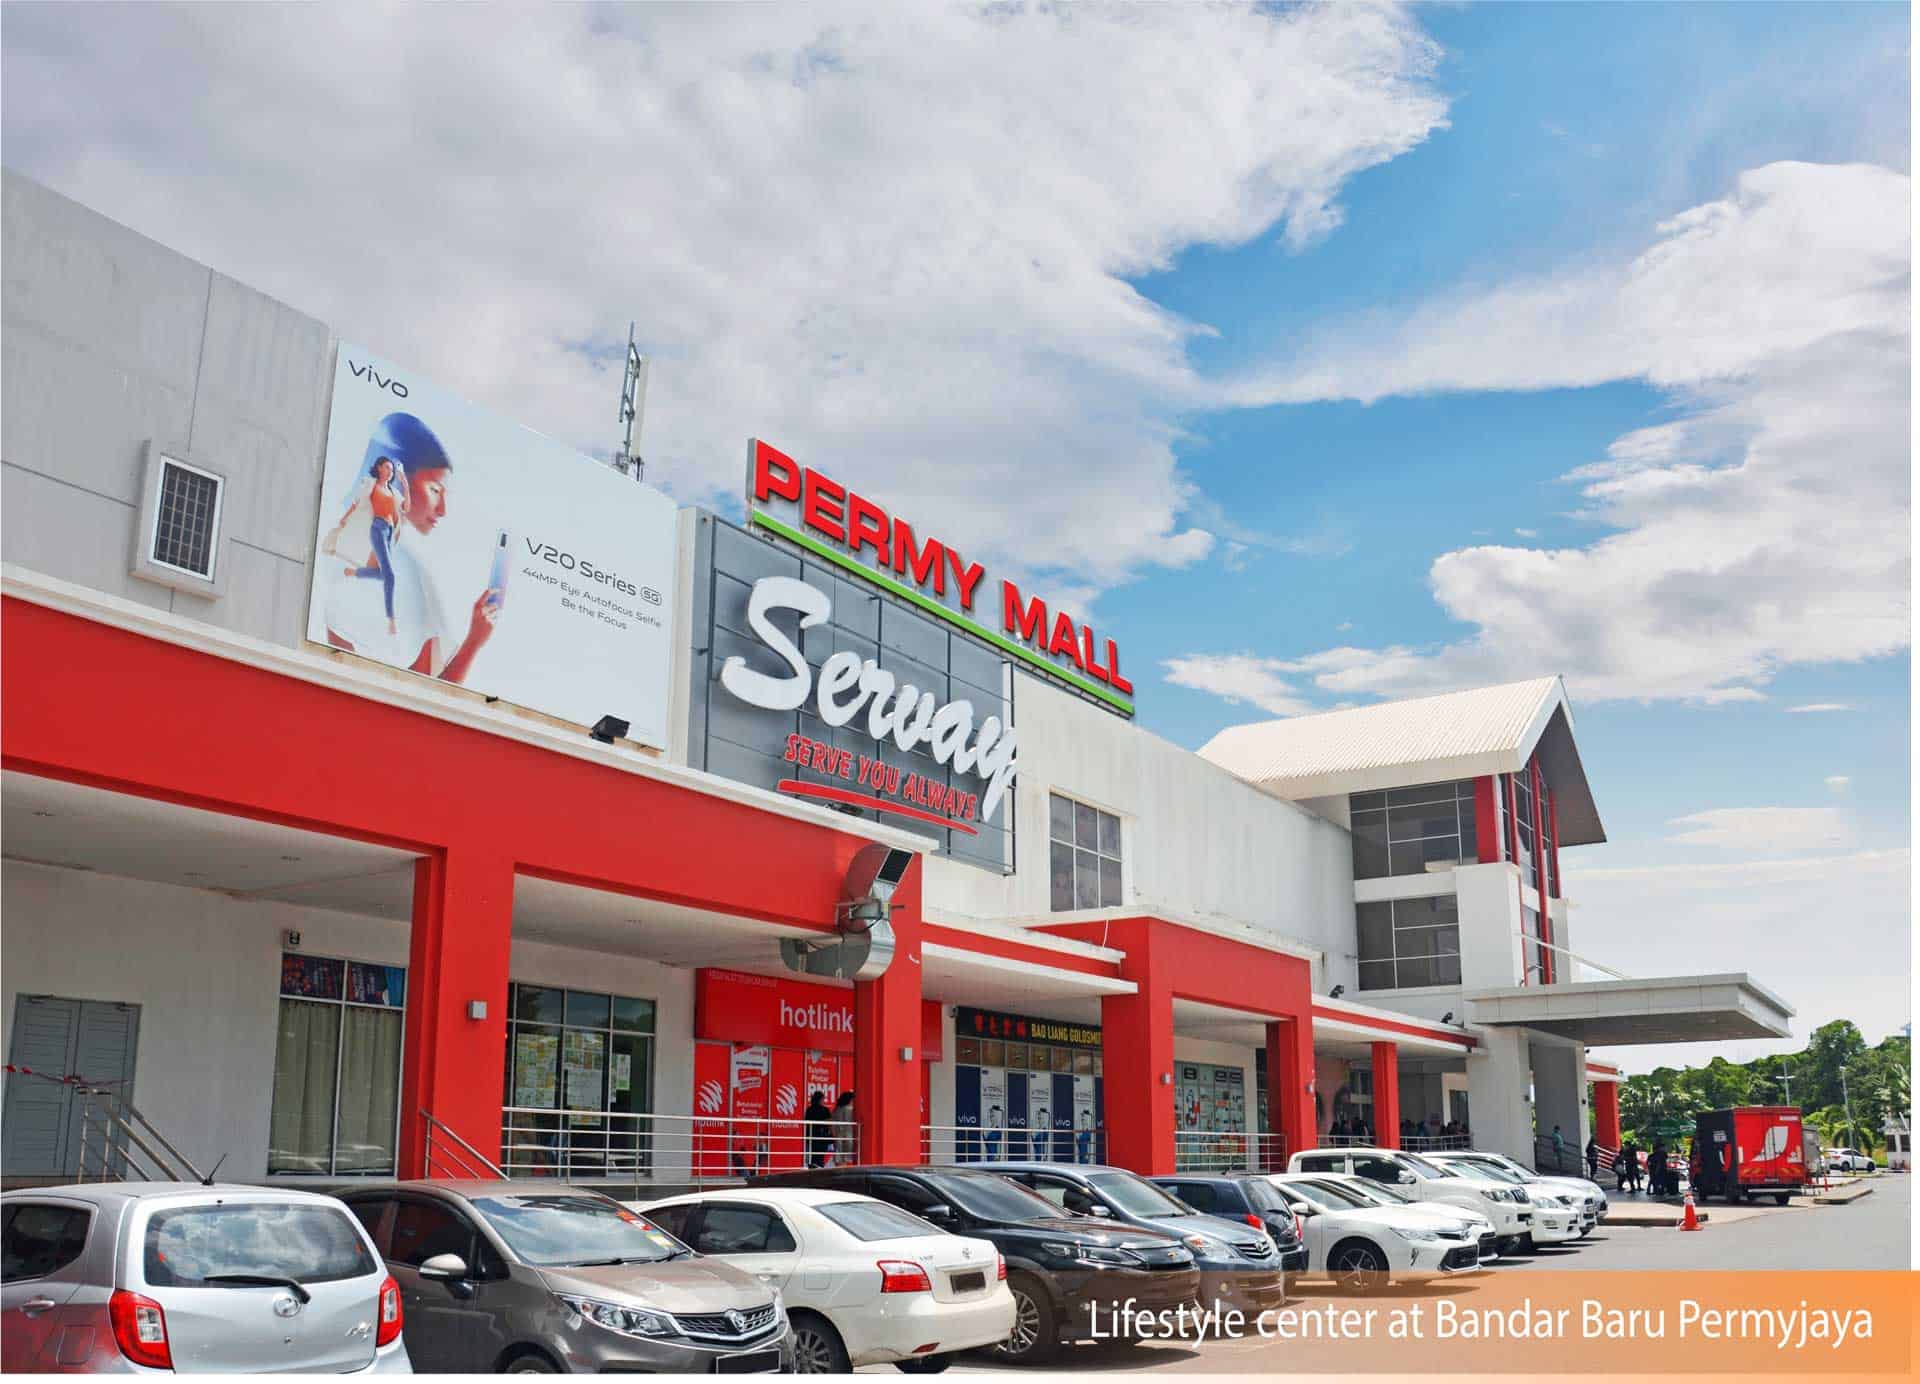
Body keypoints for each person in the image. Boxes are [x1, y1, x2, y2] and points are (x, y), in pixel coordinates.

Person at [323, 412, 501, 684]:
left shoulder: (337, 554)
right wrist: (474, 641)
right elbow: (427, 696)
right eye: (435, 490)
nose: (442, 510)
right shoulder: (408, 575)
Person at [803, 1089, 833, 1168]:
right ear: (820, 1099)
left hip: (811, 1136)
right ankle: (819, 1169)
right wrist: (831, 1134)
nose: (824, 1101)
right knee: (820, 1157)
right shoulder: (825, 1110)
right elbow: (829, 1123)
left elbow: (806, 1122)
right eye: (823, 1099)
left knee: (812, 1156)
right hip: (822, 1137)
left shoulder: (809, 1109)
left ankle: (812, 1168)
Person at [833, 1090, 856, 1165]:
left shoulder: (836, 1109)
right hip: (849, 1136)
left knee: (839, 1158)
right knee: (847, 1158)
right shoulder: (851, 1109)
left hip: (838, 1135)